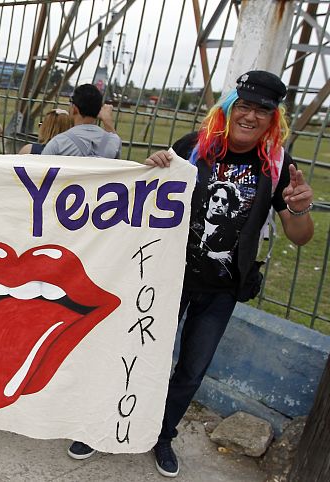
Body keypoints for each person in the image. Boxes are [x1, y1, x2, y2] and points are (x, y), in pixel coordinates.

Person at [69, 71, 316, 478]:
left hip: (220, 292)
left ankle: (161, 434)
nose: (251, 116)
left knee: (191, 370)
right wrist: (153, 168)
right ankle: (103, 428)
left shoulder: (276, 166)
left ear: (273, 119)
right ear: (230, 108)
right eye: (244, 105)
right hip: (166, 279)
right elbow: (149, 198)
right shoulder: (194, 148)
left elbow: (300, 236)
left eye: (262, 110)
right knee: (135, 354)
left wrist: (300, 207)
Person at [42, 84, 121, 158]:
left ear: (75, 109)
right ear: (99, 110)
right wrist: (108, 121)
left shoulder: (58, 143)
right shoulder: (113, 142)